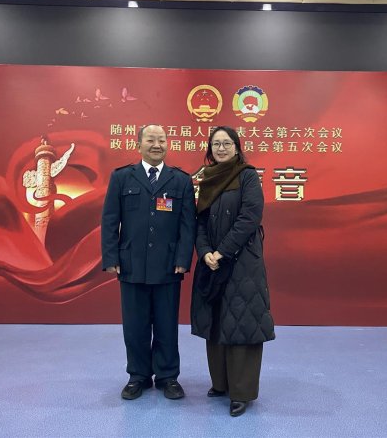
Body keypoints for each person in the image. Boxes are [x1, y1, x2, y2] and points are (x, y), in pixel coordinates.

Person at [101, 124, 196, 400]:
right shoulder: (122, 177)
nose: (157, 145)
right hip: (131, 264)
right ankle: (138, 376)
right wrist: (111, 257)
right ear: (139, 145)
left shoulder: (180, 180)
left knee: (167, 324)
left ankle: (168, 376)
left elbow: (187, 224)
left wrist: (183, 258)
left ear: (168, 144)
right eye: (151, 140)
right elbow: (110, 220)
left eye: (162, 140)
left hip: (168, 265)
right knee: (135, 326)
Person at [191, 126, 275, 417]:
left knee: (242, 321)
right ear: (210, 149)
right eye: (216, 144)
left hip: (241, 262)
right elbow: (199, 222)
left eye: (227, 143)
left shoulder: (247, 176)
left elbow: (250, 217)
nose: (221, 148)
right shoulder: (206, 178)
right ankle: (221, 383)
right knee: (215, 321)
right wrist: (205, 252)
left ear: (237, 147)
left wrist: (222, 251)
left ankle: (241, 392)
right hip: (212, 262)